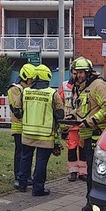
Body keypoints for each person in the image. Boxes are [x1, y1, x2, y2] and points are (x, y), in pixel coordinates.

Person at [70, 57, 106, 211]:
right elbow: (83, 109)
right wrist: (72, 116)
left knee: (96, 171)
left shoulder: (98, 85)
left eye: (81, 72)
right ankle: (91, 199)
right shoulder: (84, 87)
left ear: (88, 72)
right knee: (90, 170)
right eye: (76, 73)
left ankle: (94, 202)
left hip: (98, 134)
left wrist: (91, 121)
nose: (77, 76)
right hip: (87, 135)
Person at [15, 64, 65, 196]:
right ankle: (38, 189)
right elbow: (60, 114)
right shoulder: (52, 94)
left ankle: (22, 184)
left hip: (27, 133)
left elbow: (16, 110)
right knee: (41, 161)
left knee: (25, 158)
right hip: (45, 135)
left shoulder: (25, 92)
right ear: (47, 77)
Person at [9, 63, 36, 189]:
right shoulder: (15, 89)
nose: (32, 81)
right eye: (31, 79)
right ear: (25, 77)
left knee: (28, 153)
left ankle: (26, 175)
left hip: (28, 125)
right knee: (20, 152)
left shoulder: (28, 89)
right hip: (19, 126)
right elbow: (16, 107)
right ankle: (18, 177)